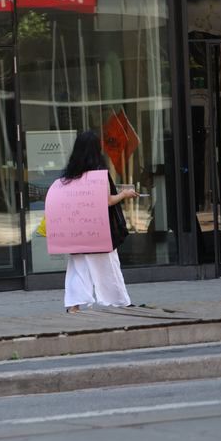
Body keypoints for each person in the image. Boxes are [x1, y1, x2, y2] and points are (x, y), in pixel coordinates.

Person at [60, 131, 140, 313]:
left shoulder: (70, 174)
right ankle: (120, 301)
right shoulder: (99, 172)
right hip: (98, 228)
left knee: (78, 267)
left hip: (76, 228)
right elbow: (107, 201)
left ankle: (74, 306)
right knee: (109, 265)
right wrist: (124, 194)